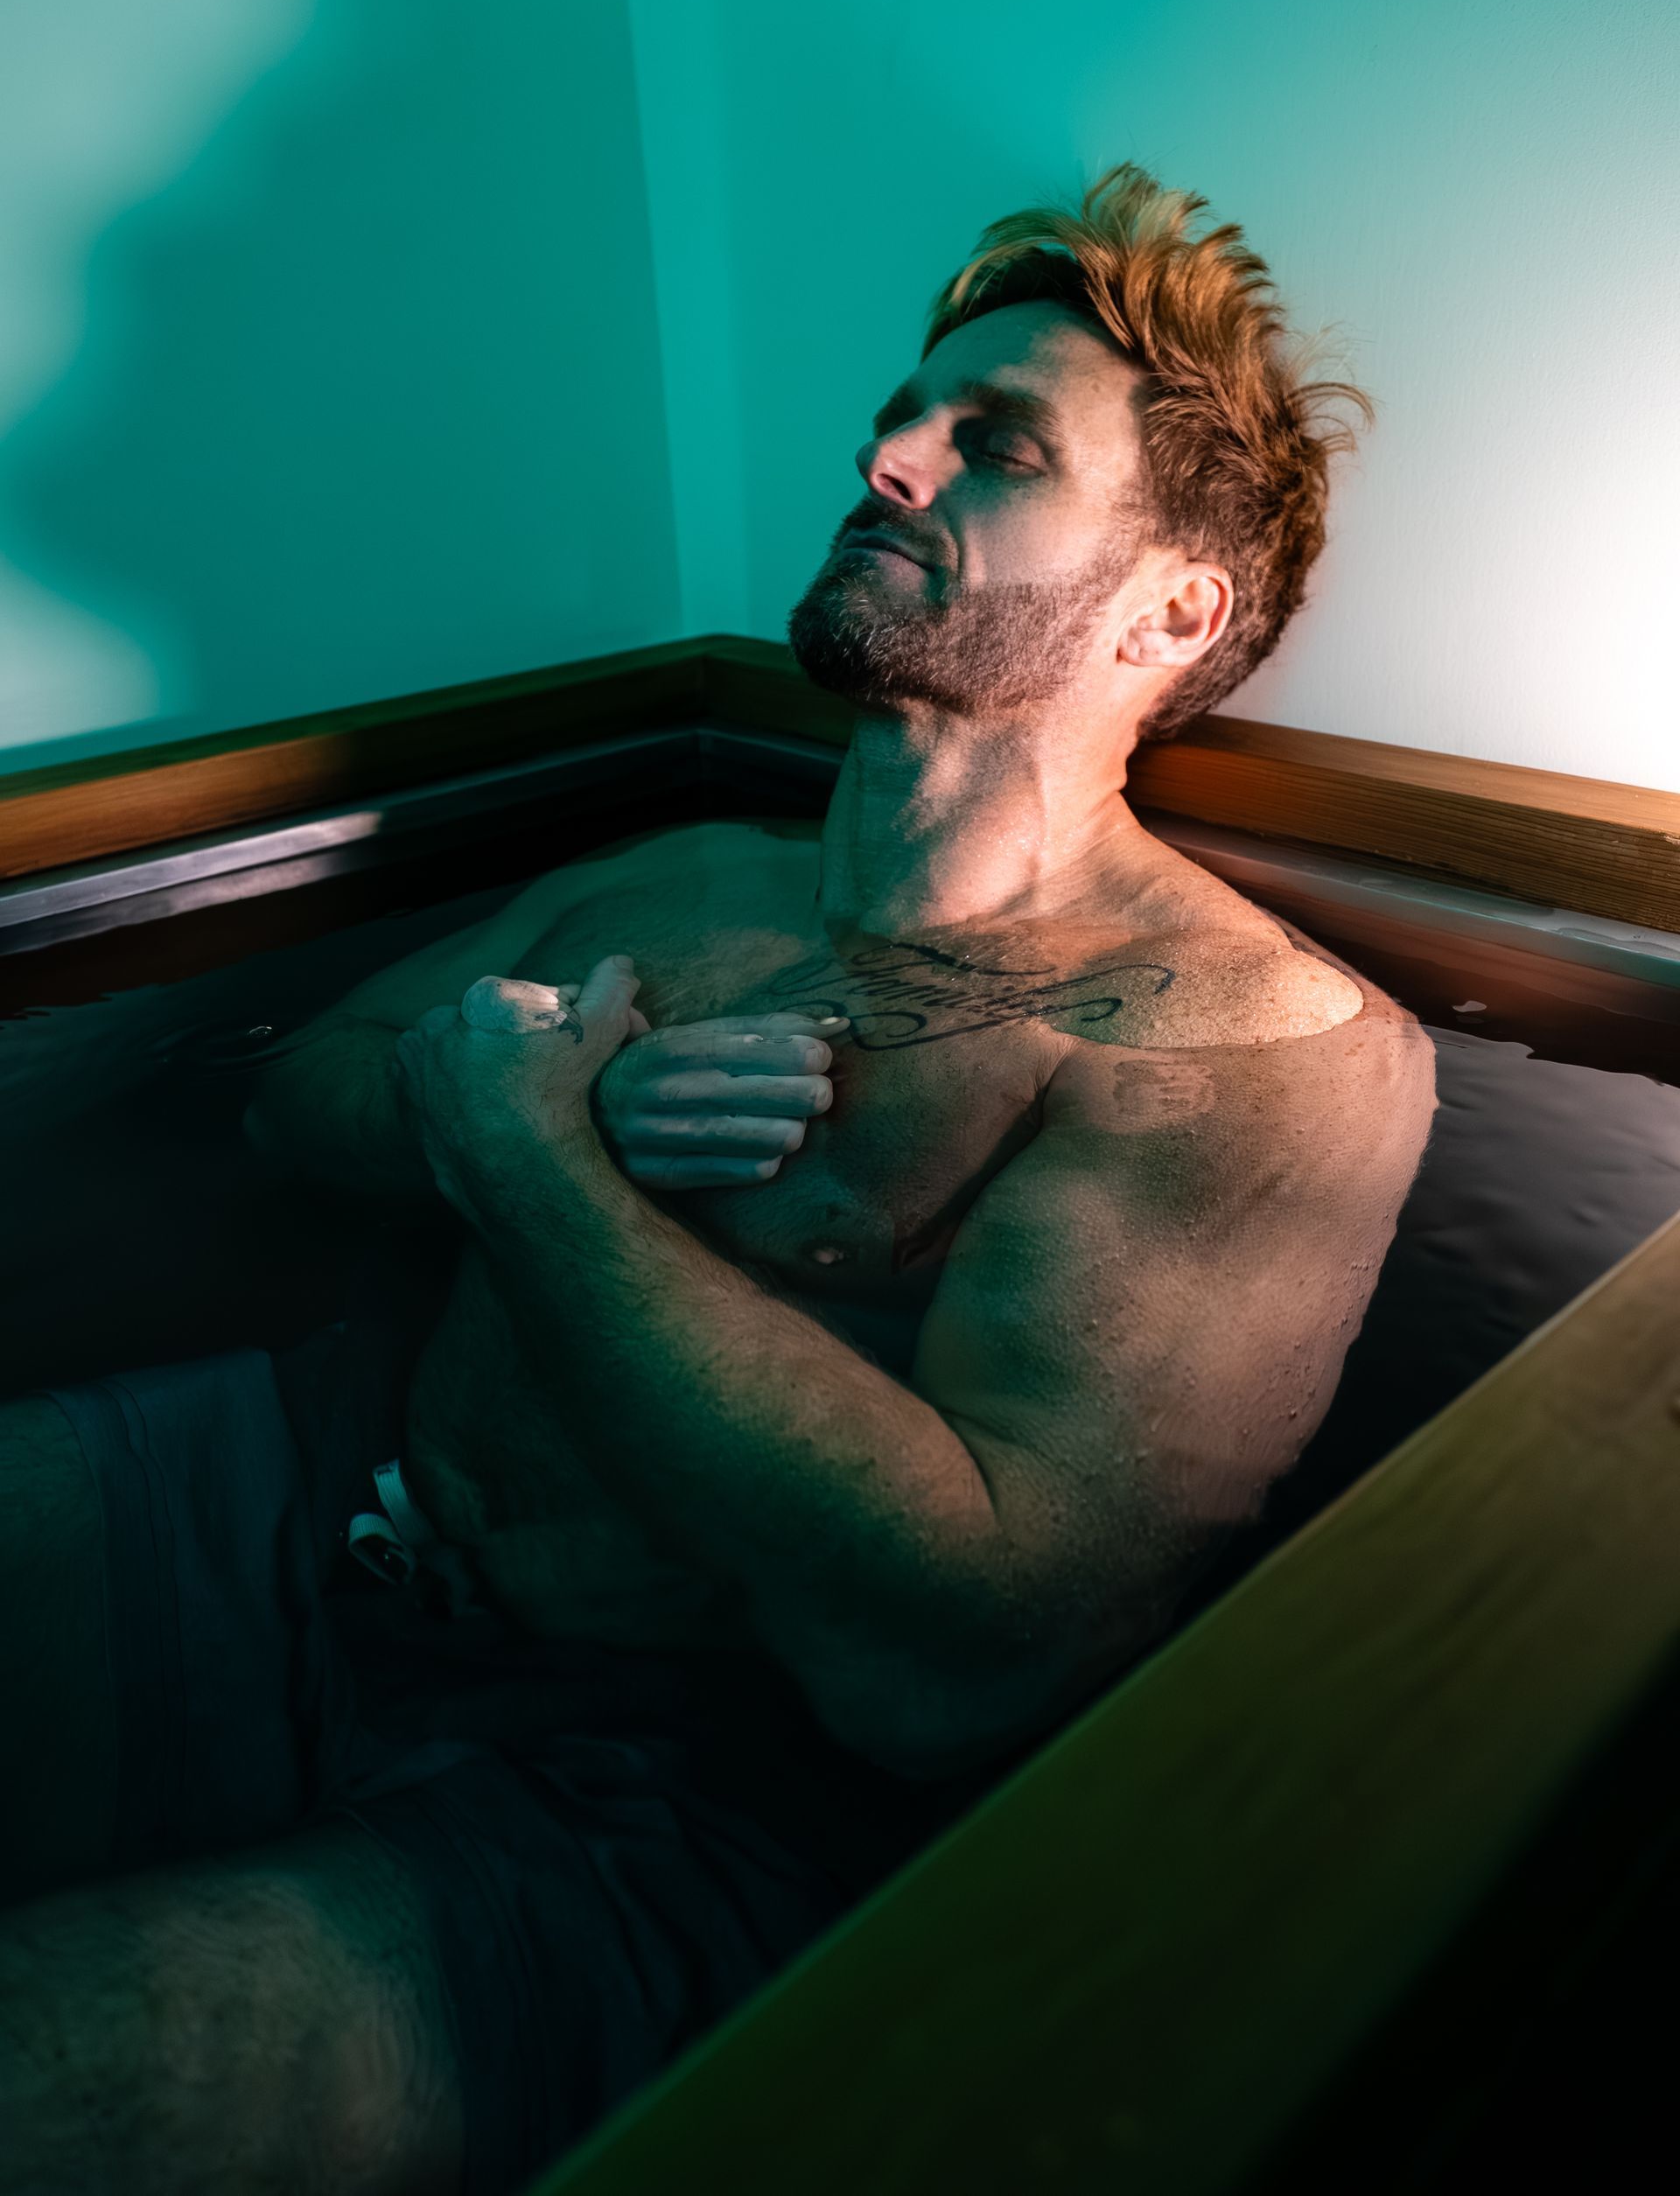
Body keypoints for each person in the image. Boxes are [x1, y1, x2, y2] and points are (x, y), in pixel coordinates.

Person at [0, 166, 1435, 2194]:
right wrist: (543, 1102)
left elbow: (967, 1655)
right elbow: (293, 1098)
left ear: (1170, 609)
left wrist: (539, 1159)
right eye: (905, 416)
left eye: (999, 445)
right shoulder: (685, 880)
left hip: (661, 1787)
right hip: (317, 1499)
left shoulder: (1247, 1046)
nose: (887, 457)